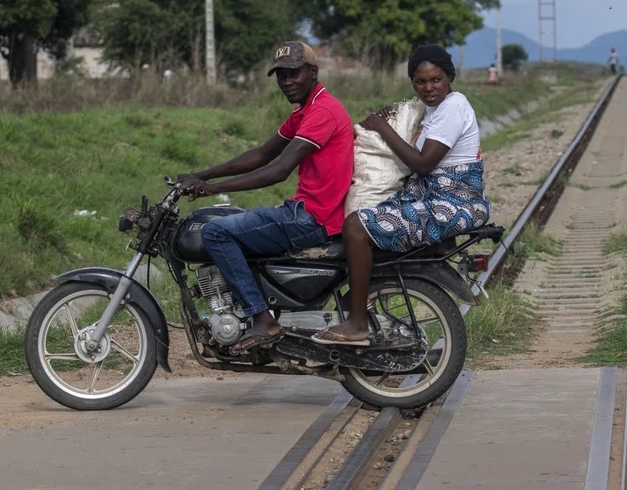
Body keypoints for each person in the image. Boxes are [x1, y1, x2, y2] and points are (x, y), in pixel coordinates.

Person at [178, 42, 354, 351]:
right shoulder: (305, 112)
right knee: (235, 225)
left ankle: (262, 319)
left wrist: (216, 189)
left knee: (216, 231)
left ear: (312, 72)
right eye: (280, 75)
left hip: (313, 217)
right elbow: (261, 154)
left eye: (293, 74)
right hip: (309, 211)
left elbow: (278, 170)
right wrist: (202, 176)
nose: (286, 82)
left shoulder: (323, 111)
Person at [312, 45, 490, 346]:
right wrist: (389, 118)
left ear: (450, 77)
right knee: (355, 225)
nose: (428, 88)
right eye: (420, 82)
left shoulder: (454, 106)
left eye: (436, 80)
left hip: (454, 203)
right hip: (432, 197)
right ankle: (363, 303)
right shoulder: (435, 110)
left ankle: (356, 324)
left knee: (356, 226)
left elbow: (423, 163)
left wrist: (382, 127)